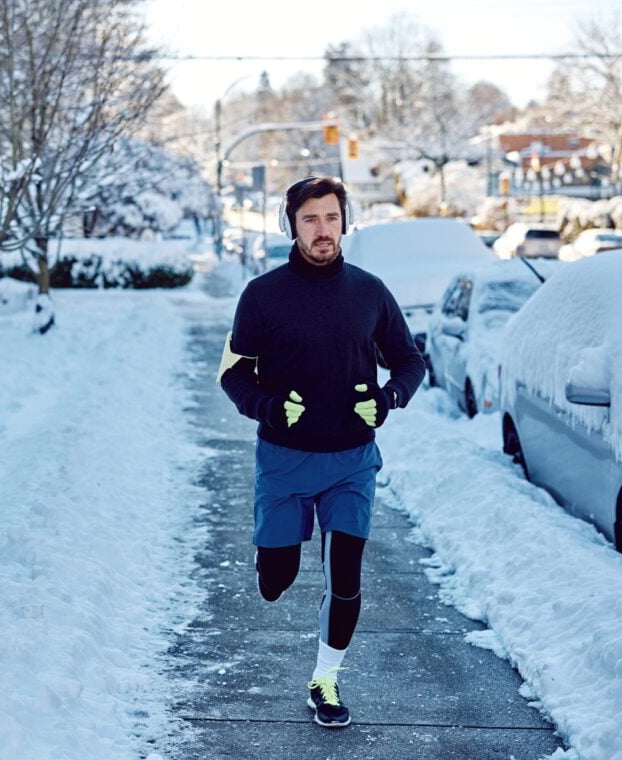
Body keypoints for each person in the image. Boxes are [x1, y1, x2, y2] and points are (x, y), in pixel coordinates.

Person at [216, 176, 425, 728]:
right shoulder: (262, 296)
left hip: (351, 462)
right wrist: (264, 406)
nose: (323, 229)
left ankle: (325, 680)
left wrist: (388, 399)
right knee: (275, 583)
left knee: (346, 576)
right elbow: (232, 372)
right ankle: (272, 556)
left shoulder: (369, 292)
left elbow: (409, 361)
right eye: (311, 219)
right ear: (293, 225)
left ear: (344, 223)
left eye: (331, 218)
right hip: (284, 461)